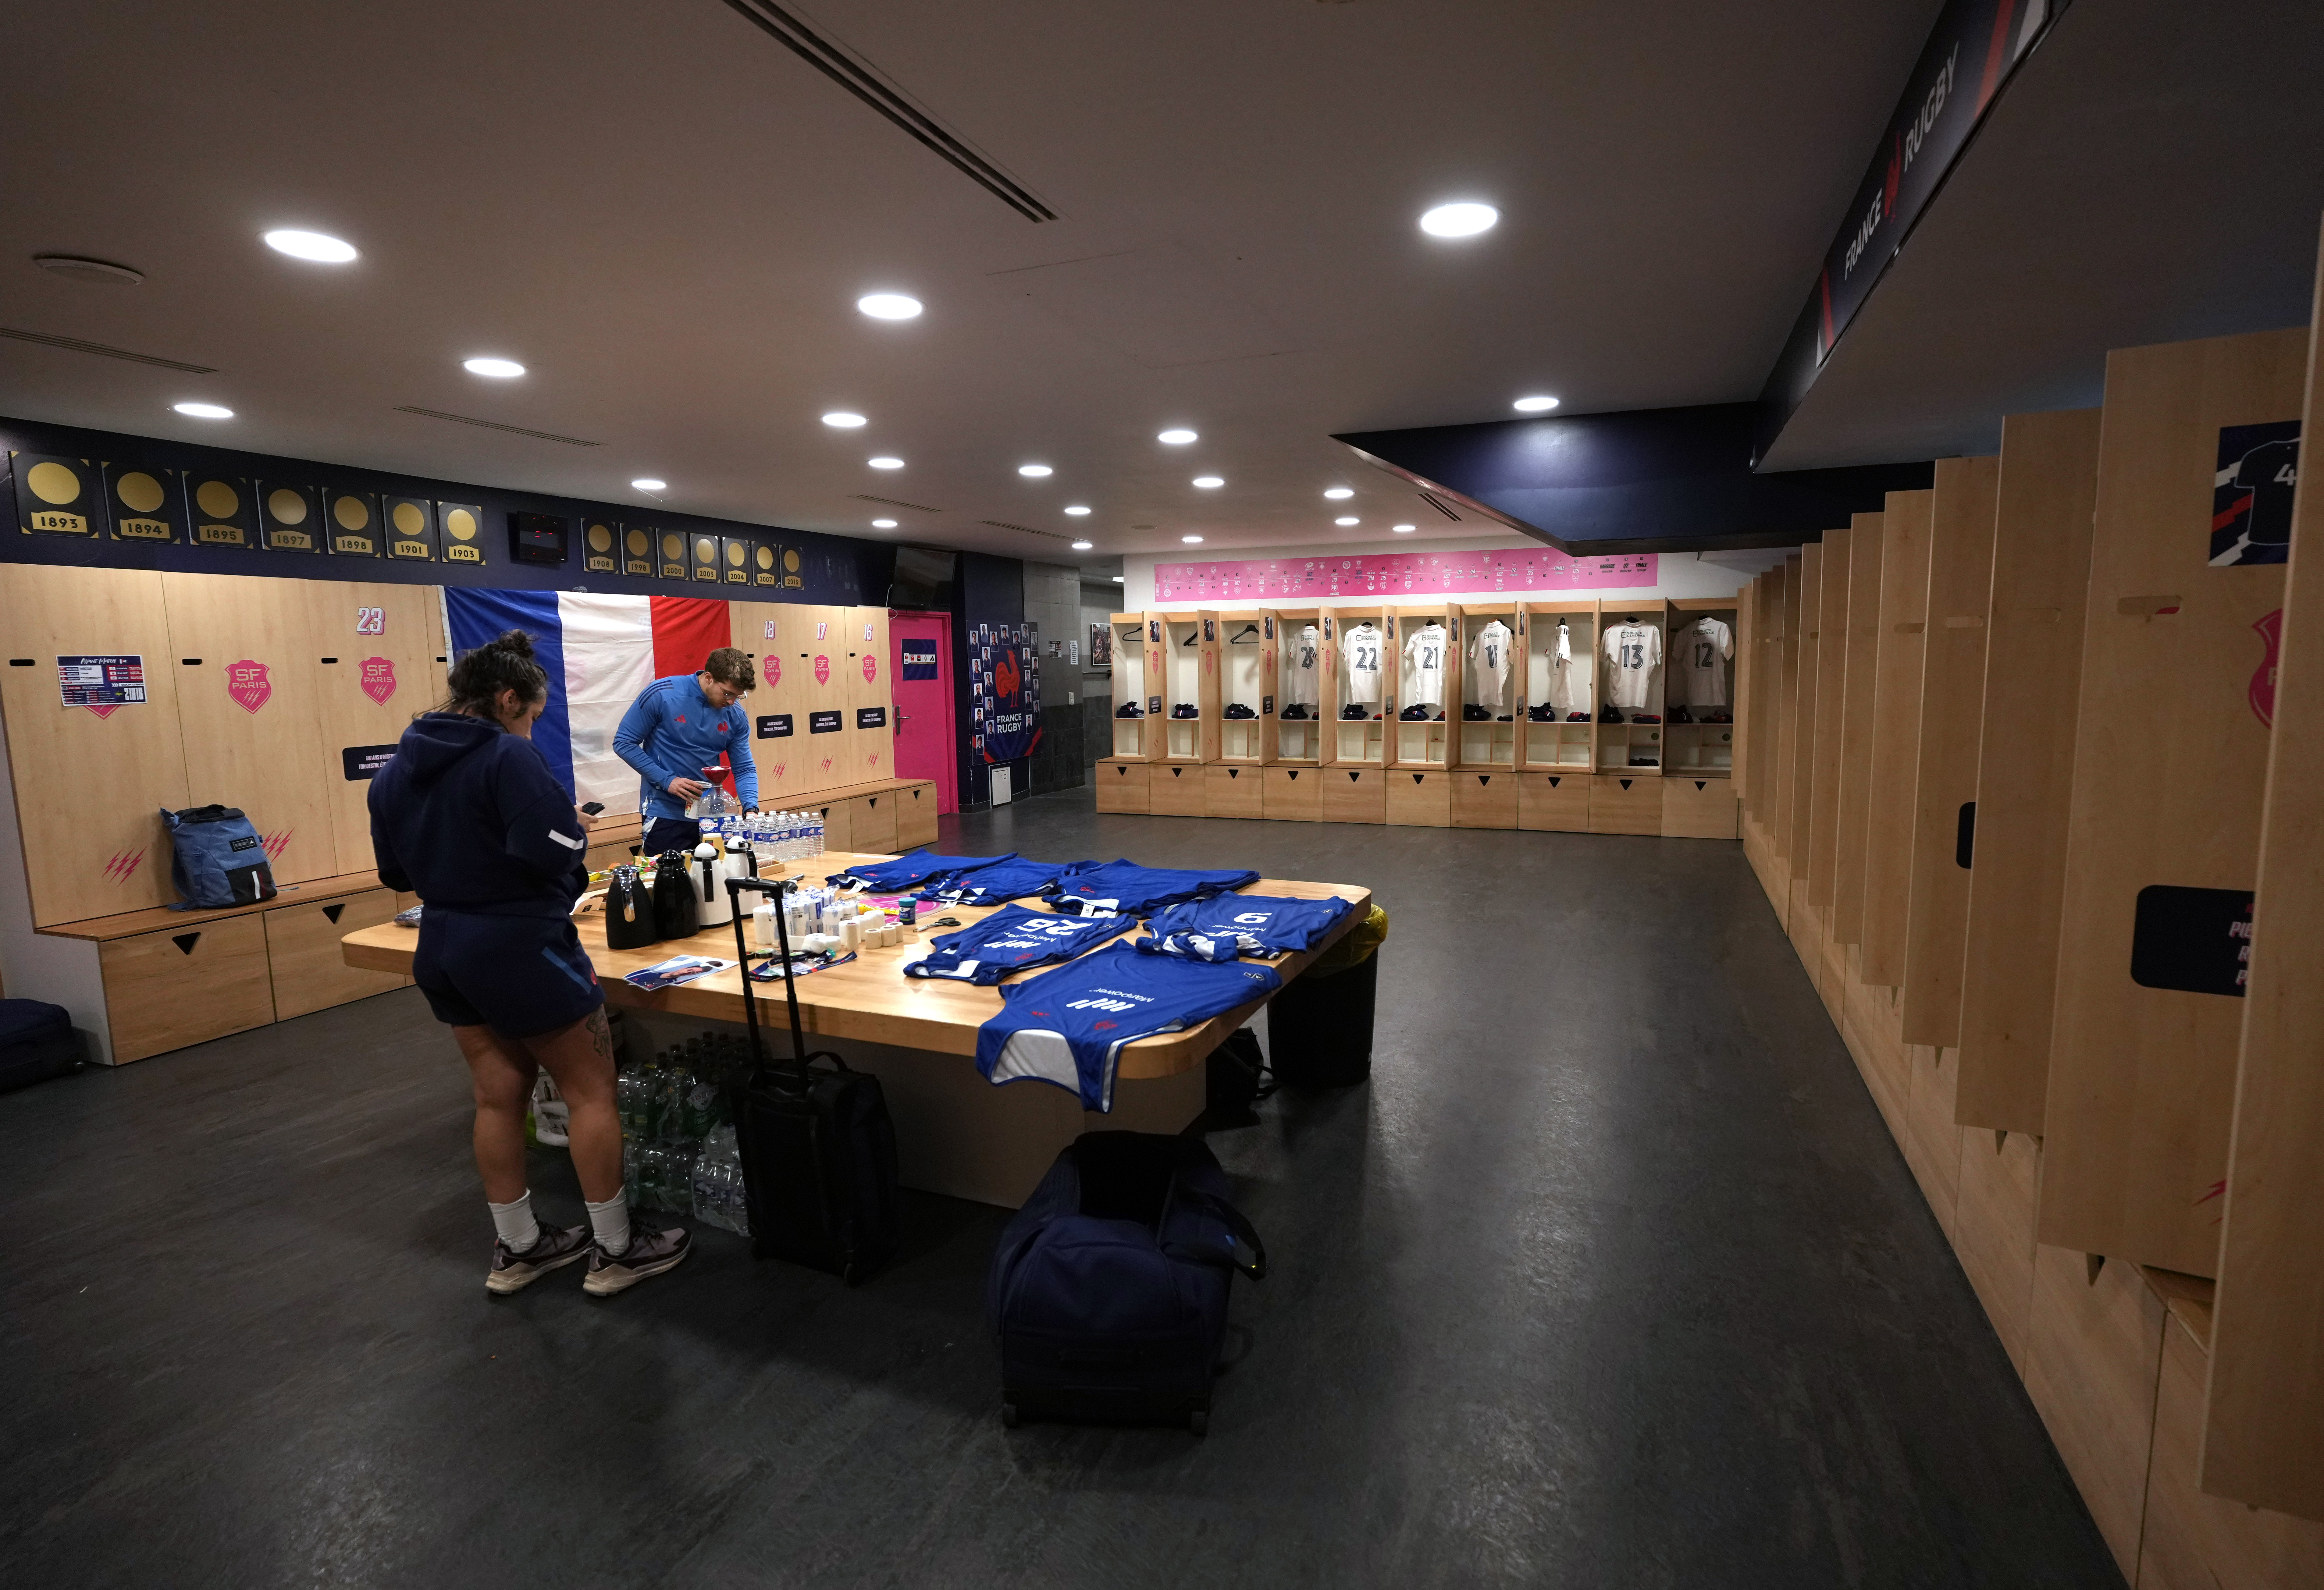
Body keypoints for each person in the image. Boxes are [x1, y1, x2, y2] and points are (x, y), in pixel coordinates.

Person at [368, 630, 689, 1297]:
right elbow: (556, 848)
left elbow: (395, 869)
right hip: (520, 944)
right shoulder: (505, 757)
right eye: (531, 716)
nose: (530, 728)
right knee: (590, 1091)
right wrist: (568, 825)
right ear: (509, 698)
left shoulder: (396, 768)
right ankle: (617, 1247)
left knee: (495, 1095)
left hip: (446, 941)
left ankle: (519, 1247)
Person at [614, 647, 760, 856]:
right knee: (671, 886)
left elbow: (744, 768)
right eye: (727, 693)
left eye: (739, 696)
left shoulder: (735, 715)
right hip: (665, 811)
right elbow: (624, 743)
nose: (731, 702)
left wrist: (751, 808)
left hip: (715, 817)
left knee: (716, 885)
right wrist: (667, 781)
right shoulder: (662, 694)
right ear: (708, 678)